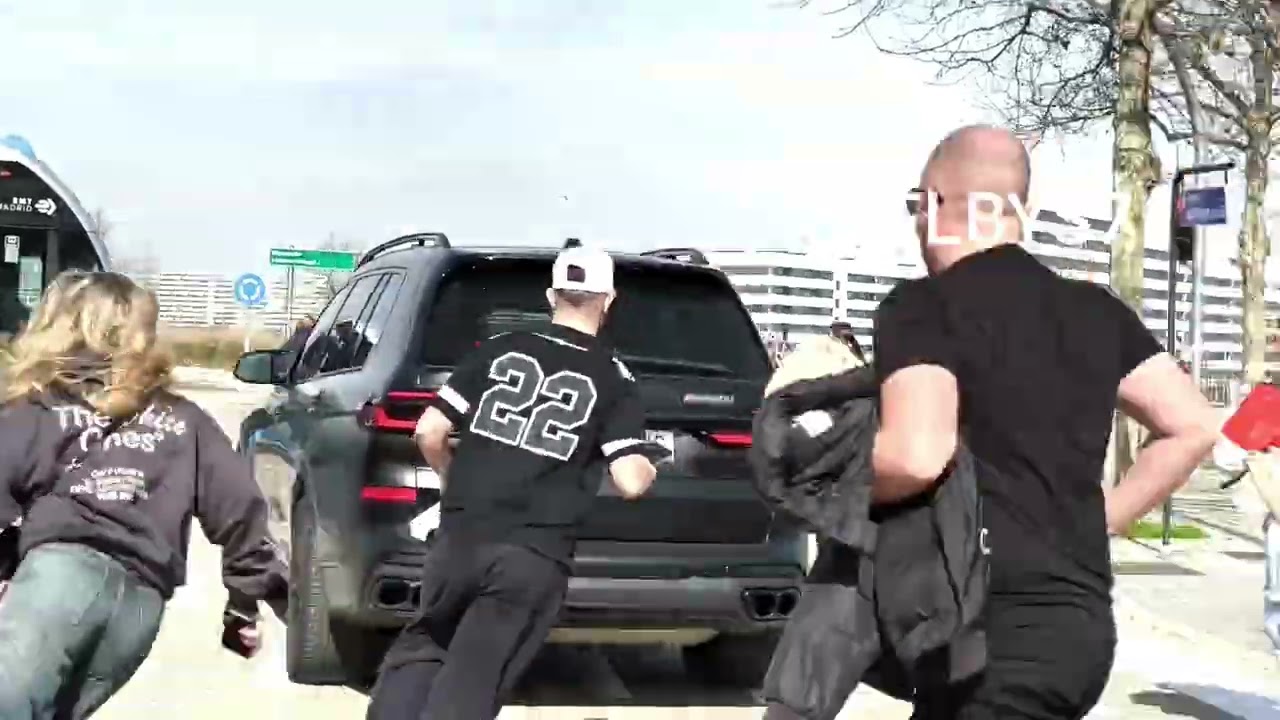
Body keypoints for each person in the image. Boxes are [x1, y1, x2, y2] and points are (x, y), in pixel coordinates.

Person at [873, 125, 1220, 718]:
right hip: (1077, 637)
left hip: (984, 636)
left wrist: (831, 480)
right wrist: (1100, 519)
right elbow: (1192, 424)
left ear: (931, 204)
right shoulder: (1095, 311)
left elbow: (915, 455)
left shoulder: (923, 307)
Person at [366, 246, 661, 720]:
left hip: (461, 537)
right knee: (476, 673)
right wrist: (648, 464)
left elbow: (429, 430)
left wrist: (450, 481)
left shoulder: (501, 348)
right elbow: (630, 480)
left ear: (551, 296)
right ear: (609, 300)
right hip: (533, 553)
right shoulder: (615, 378)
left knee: (423, 650)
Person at [0, 270, 287, 719]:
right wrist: (243, 608)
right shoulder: (185, 419)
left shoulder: (40, 406)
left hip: (57, 582)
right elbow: (242, 512)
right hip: (139, 610)